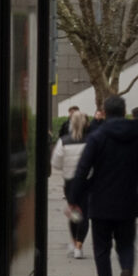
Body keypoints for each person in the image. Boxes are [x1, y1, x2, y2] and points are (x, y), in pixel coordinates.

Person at [66, 94, 138, 276]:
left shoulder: (98, 136)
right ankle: (126, 269)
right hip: (127, 200)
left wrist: (73, 198)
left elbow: (83, 169)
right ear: (125, 112)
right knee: (126, 243)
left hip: (100, 201)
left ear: (105, 113)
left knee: (101, 249)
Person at [53, 107, 93, 259]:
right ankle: (79, 245)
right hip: (87, 181)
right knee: (85, 213)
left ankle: (73, 241)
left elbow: (56, 163)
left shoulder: (63, 141)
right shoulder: (91, 141)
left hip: (69, 182)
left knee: (74, 212)